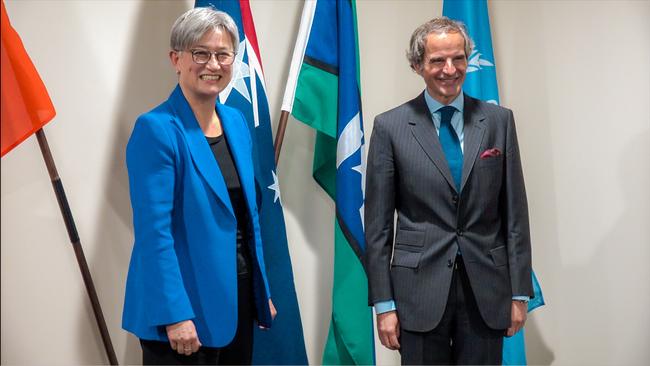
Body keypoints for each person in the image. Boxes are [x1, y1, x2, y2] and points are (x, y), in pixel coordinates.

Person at [364, 17, 533, 365]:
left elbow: (516, 213)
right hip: (417, 294)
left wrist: (519, 293)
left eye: (458, 58)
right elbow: (378, 227)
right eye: (437, 61)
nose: (450, 69)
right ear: (417, 65)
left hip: (486, 291)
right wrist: (384, 304)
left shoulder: (498, 121)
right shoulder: (390, 127)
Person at [122, 7, 276, 365]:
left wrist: (259, 290)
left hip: (236, 299)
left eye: (223, 54)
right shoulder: (156, 129)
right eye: (201, 53)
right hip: (181, 310)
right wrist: (174, 314)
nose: (214, 64)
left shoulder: (236, 122)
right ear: (176, 59)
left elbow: (246, 216)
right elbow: (153, 233)